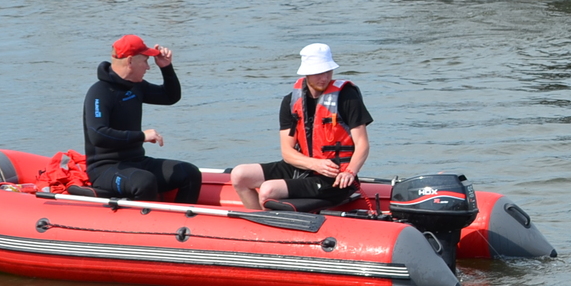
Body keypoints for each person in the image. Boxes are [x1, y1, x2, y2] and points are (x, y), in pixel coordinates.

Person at [230, 44, 372, 210]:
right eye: (318, 73)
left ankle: (274, 225)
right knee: (239, 175)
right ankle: (261, 223)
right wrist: (314, 164)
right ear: (306, 73)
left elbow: (363, 144)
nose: (324, 77)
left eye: (328, 71)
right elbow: (287, 152)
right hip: (305, 167)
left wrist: (350, 172)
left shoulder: (347, 98)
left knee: (268, 190)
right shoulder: (290, 102)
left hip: (335, 177)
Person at [83, 35, 201, 204]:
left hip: (136, 162)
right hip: (105, 169)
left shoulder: (136, 86)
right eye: (145, 61)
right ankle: (148, 227)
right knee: (144, 182)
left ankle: (182, 225)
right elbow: (98, 135)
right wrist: (141, 136)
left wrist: (166, 68)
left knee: (189, 173)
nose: (148, 67)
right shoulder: (99, 93)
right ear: (130, 61)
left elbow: (170, 97)